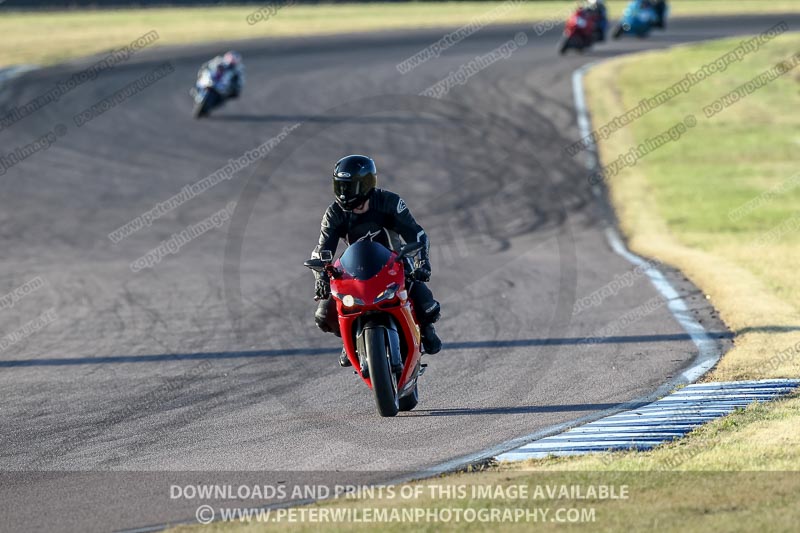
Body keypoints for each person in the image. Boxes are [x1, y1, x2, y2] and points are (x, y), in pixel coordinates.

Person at [311, 155, 442, 367]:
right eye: (340, 186)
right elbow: (322, 250)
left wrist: (423, 263)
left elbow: (417, 235)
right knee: (323, 315)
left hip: (395, 267)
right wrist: (321, 277)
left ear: (366, 185)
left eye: (350, 187)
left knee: (427, 304)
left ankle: (425, 329)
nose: (344, 193)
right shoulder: (334, 213)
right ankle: (350, 339)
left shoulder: (389, 202)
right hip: (355, 272)